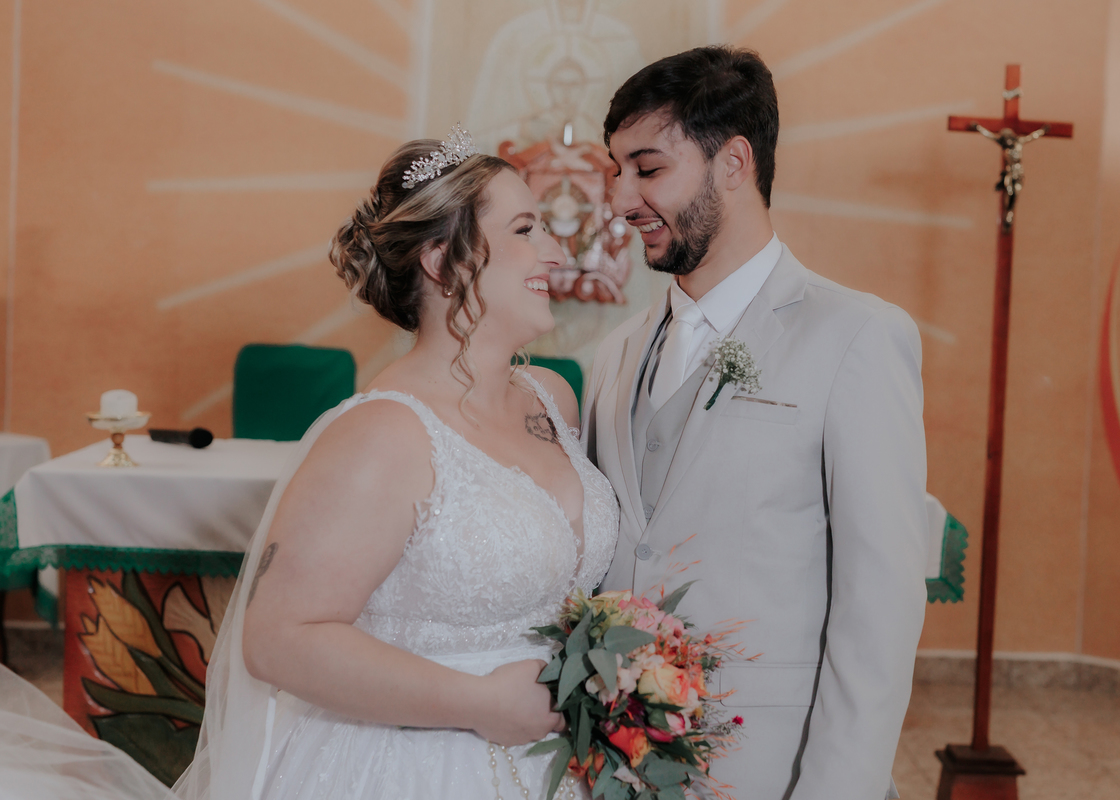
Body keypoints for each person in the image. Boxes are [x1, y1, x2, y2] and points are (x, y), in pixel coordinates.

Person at [0, 130, 620, 800]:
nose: (556, 252)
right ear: (443, 260)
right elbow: (279, 639)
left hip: (565, 758)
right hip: (426, 764)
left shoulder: (552, 399)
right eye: (526, 229)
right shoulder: (384, 433)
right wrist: (480, 702)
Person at [583, 47, 928, 799]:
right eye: (616, 171)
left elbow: (881, 605)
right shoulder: (614, 355)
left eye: (647, 169)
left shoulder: (858, 337)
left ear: (734, 162)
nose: (620, 199)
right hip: (616, 767)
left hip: (772, 768)